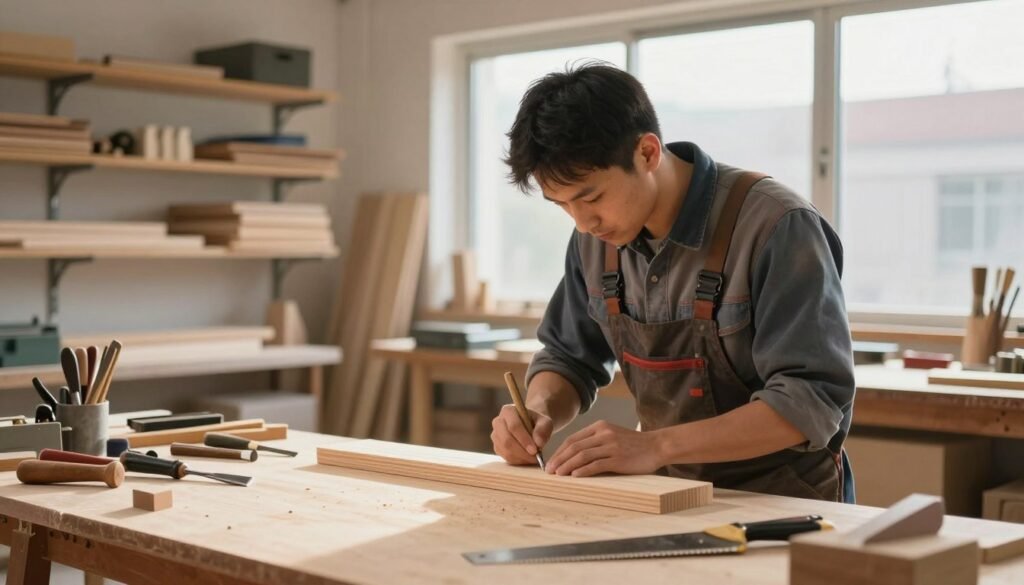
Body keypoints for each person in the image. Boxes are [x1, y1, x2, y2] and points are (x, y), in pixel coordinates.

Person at [489, 62, 856, 503]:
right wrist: (537, 410)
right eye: (561, 205)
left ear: (647, 153)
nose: (582, 223)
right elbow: (569, 355)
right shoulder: (595, 239)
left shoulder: (776, 226)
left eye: (591, 197)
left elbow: (810, 401)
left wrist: (655, 445)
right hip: (667, 496)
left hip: (783, 503)